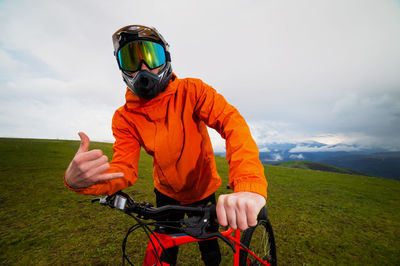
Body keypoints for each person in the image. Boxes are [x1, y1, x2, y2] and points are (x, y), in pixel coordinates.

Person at [64, 25, 268, 265]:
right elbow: (124, 169)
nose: (143, 68)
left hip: (202, 191)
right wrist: (82, 182)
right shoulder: (125, 118)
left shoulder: (194, 91)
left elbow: (232, 124)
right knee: (164, 250)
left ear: (167, 58)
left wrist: (248, 184)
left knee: (209, 249)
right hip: (166, 194)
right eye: (131, 59)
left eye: (152, 56)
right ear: (121, 68)